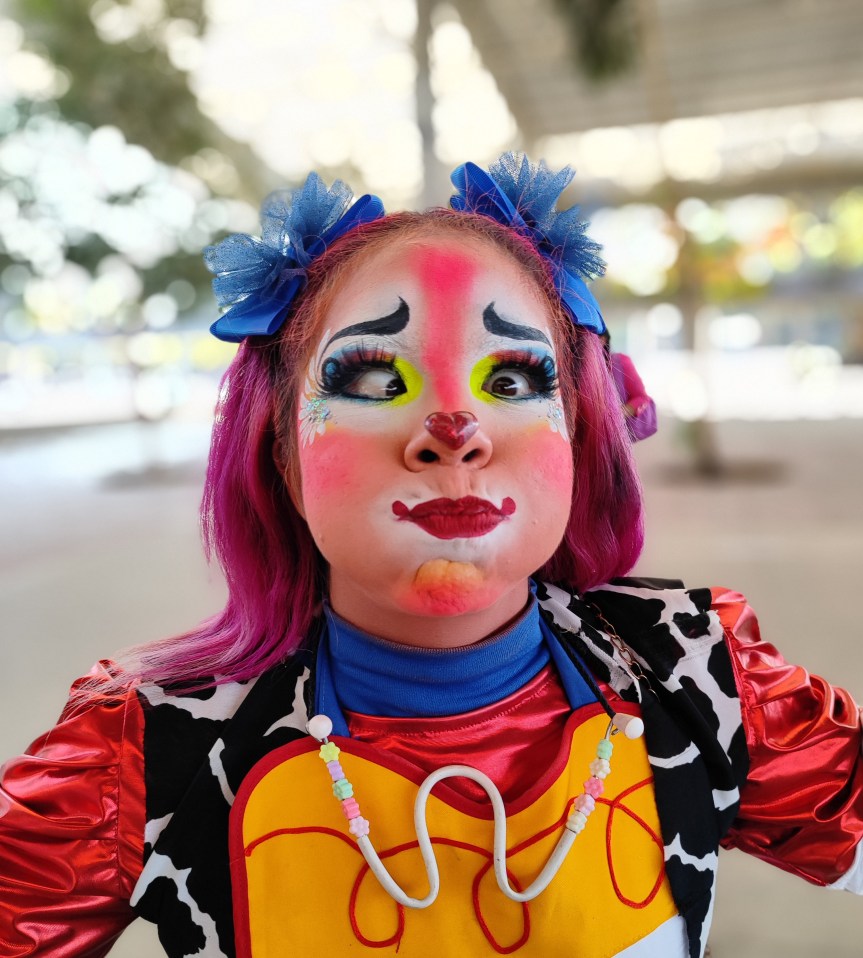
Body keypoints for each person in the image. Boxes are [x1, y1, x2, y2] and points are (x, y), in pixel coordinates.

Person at [1, 153, 861, 958]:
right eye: (376, 381)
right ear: (279, 450)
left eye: (513, 380)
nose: (455, 436)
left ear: (581, 432)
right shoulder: (143, 746)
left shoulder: (698, 676)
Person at [599, 330, 658, 441]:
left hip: (614, 438)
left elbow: (641, 398)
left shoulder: (619, 362)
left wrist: (616, 416)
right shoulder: (576, 370)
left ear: (602, 340)